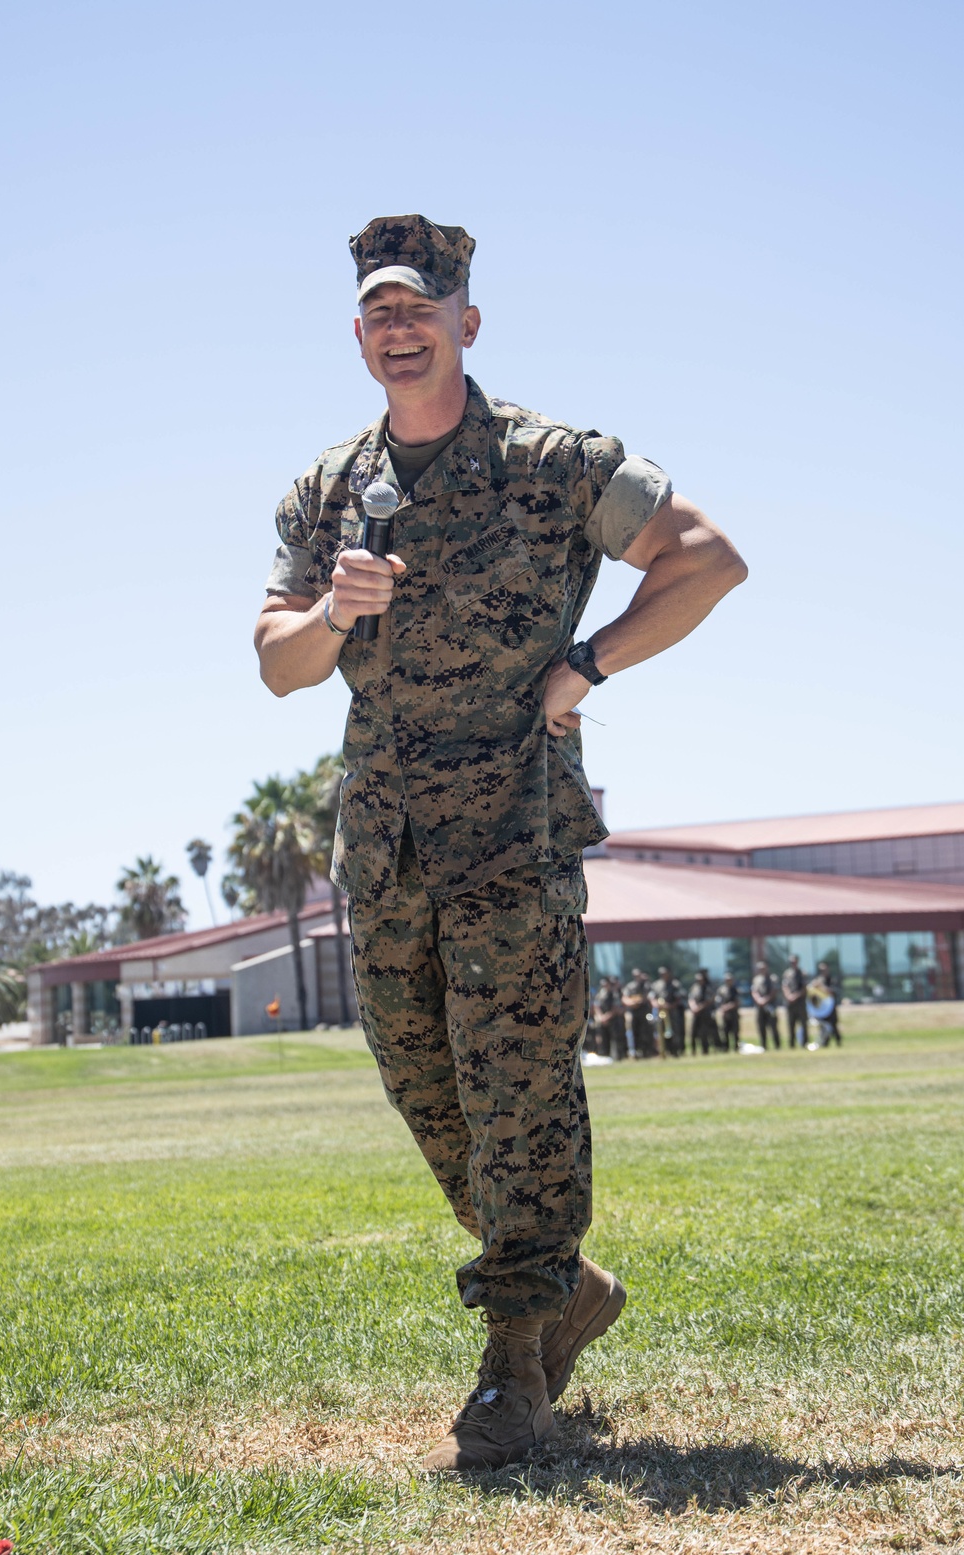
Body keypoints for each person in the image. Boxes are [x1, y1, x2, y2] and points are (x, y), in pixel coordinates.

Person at [253, 213, 746, 1471]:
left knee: (519, 1092)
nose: (399, 327)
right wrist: (330, 608)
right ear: (358, 337)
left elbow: (705, 558)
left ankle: (514, 1366)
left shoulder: (551, 461)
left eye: (421, 307)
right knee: (431, 1095)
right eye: (379, 311)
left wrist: (584, 664)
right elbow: (276, 665)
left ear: (467, 323)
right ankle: (562, 1282)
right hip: (388, 844)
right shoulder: (326, 489)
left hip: (514, 833)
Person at [650, 966, 686, 1057]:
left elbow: (679, 997)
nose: (663, 975)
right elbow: (652, 997)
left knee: (675, 1031)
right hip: (661, 1012)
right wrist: (656, 1004)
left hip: (672, 1011)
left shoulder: (675, 984)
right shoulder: (656, 984)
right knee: (660, 1030)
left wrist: (670, 1006)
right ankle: (664, 1050)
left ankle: (676, 1051)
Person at [595, 976, 628, 1061]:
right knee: (603, 1040)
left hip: (613, 1021)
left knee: (615, 1040)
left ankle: (617, 1057)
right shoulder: (601, 993)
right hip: (602, 1020)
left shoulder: (614, 994)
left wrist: (606, 1017)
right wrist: (601, 1017)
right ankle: (605, 1057)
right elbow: (596, 1006)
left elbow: (615, 1008)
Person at [621, 968, 653, 1058]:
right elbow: (625, 998)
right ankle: (636, 1052)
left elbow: (648, 996)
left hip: (645, 1012)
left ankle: (647, 1051)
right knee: (635, 1032)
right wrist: (632, 1002)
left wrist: (639, 1000)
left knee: (646, 1032)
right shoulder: (630, 986)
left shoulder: (646, 985)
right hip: (635, 1012)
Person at [750, 961, 780, 1049]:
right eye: (760, 969)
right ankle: (763, 1046)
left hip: (771, 1006)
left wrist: (765, 1000)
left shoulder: (773, 978)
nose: (761, 970)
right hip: (760, 1007)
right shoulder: (756, 979)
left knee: (773, 1027)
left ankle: (777, 1046)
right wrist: (759, 1000)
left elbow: (774, 991)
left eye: (763, 968)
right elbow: (754, 991)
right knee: (761, 1026)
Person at [688, 968, 718, 1055]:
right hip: (695, 1013)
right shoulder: (694, 987)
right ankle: (693, 1050)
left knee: (705, 1032)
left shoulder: (708, 987)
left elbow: (709, 1000)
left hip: (706, 1013)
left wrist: (699, 1008)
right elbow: (691, 998)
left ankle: (706, 1050)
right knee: (693, 1032)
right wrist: (693, 1007)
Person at [781, 954, 808, 1048]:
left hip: (800, 1002)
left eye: (794, 961)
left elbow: (804, 988)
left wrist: (795, 996)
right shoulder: (787, 974)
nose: (793, 963)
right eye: (791, 962)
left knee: (803, 1023)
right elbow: (784, 986)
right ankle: (792, 1044)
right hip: (790, 1003)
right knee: (791, 1024)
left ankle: (804, 1043)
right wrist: (789, 996)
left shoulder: (802, 973)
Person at [715, 972, 741, 1051]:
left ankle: (736, 1047)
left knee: (735, 1031)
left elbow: (737, 1002)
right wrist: (723, 1009)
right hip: (725, 1014)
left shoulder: (735, 989)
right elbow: (718, 1001)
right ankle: (726, 1047)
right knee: (725, 1031)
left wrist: (727, 1007)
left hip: (733, 1013)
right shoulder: (721, 989)